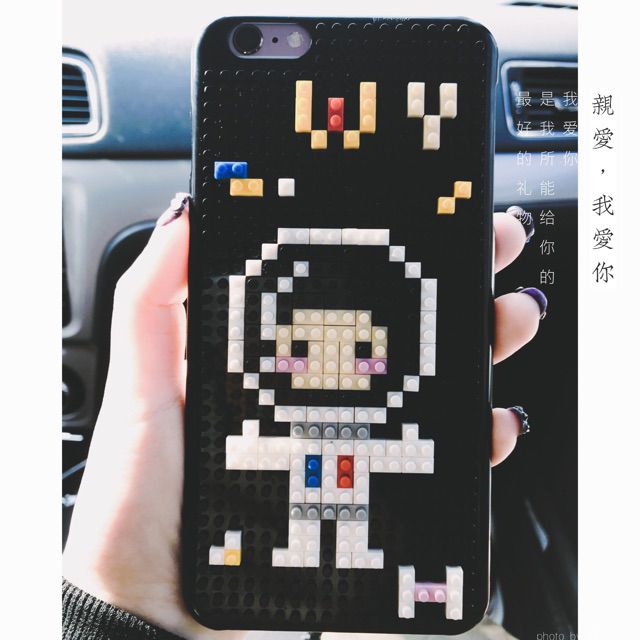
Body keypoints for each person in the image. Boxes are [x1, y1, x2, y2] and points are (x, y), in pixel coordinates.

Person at [62, 195, 547, 640]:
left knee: (355, 524)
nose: (330, 362)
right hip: (305, 500)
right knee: (313, 522)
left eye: (360, 350)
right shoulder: (286, 416)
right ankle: (316, 556)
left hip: (351, 504)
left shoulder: (366, 417)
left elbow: (397, 454)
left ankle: (355, 557)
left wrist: (120, 613)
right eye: (301, 347)